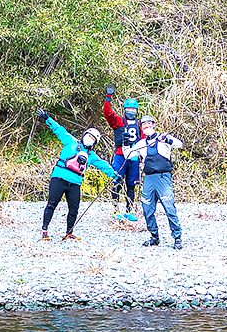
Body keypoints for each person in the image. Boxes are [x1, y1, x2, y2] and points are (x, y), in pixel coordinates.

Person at [36, 108, 121, 240]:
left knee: (74, 209)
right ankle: (45, 230)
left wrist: (114, 175)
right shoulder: (71, 141)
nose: (89, 139)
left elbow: (104, 165)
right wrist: (47, 118)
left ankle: (69, 233)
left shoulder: (91, 156)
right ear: (84, 135)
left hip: (75, 183)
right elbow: (59, 129)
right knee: (52, 204)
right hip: (59, 178)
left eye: (93, 139)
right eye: (89, 136)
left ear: (95, 143)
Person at [124, 115, 184, 250]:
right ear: (141, 127)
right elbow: (128, 155)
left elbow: (180, 144)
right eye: (144, 124)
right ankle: (154, 237)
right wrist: (125, 142)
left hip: (163, 178)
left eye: (149, 123)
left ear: (154, 125)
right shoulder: (141, 143)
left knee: (169, 208)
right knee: (147, 209)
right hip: (149, 179)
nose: (147, 126)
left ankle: (177, 237)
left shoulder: (163, 137)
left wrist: (167, 140)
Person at [103, 85, 145, 222]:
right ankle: (115, 210)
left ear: (137, 111)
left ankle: (129, 210)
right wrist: (108, 97)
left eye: (133, 109)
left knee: (131, 185)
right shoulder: (119, 121)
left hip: (134, 158)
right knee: (117, 182)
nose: (131, 111)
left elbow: (144, 140)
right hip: (120, 156)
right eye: (128, 109)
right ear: (124, 110)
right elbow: (108, 113)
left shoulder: (140, 124)